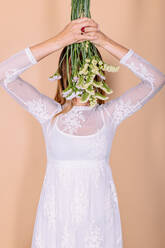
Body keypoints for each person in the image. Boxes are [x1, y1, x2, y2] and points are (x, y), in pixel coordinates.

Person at [0, 17, 164, 248]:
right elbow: (4, 73)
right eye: (72, 68)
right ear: (63, 72)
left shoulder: (109, 115)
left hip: (98, 220)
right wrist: (60, 40)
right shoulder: (50, 115)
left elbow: (156, 79)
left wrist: (104, 41)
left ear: (97, 72)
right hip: (57, 220)